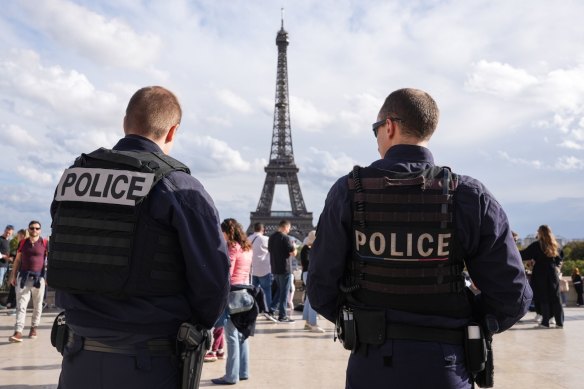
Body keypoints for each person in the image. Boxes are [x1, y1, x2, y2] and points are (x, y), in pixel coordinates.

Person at [307, 88, 532, 388]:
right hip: (446, 365)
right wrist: (467, 321)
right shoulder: (468, 196)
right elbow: (514, 296)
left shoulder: (347, 191)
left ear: (389, 126)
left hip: (371, 364)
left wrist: (360, 319)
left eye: (375, 130)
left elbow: (320, 288)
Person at [48, 86, 230, 388]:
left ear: (125, 122)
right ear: (172, 132)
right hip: (150, 362)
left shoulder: (73, 177)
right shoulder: (179, 187)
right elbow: (212, 283)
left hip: (77, 357)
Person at [212, 218, 253, 385]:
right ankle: (243, 372)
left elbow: (227, 271)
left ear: (228, 231)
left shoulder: (233, 247)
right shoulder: (247, 248)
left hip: (233, 293)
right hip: (245, 292)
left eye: (222, 232)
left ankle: (231, 376)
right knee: (242, 335)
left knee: (231, 336)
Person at [8, 221, 47, 342]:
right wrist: (13, 276)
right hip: (23, 277)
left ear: (40, 230)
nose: (34, 230)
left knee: (38, 305)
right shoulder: (23, 242)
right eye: (32, 228)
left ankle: (34, 327)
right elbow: (17, 261)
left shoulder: (45, 243)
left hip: (39, 279)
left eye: (37, 228)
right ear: (28, 229)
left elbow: (49, 260)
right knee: (21, 305)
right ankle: (18, 331)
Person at [520, 225, 564, 328]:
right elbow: (560, 259)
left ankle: (545, 322)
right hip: (553, 272)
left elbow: (524, 254)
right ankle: (559, 322)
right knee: (556, 297)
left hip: (540, 272)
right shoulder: (555, 245)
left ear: (540, 233)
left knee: (543, 297)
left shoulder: (537, 245)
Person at [268, 220, 297, 323]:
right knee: (284, 292)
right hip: (285, 269)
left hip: (275, 268)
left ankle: (271, 310)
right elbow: (293, 253)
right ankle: (282, 316)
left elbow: (270, 251)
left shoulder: (271, 237)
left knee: (280, 290)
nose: (289, 231)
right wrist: (294, 246)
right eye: (289, 228)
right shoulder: (286, 238)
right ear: (285, 227)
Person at [247, 222, 277, 322]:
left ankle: (252, 310)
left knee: (252, 292)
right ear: (263, 229)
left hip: (252, 269)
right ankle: (268, 311)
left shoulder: (248, 239)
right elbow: (272, 251)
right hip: (264, 269)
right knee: (267, 291)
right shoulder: (265, 239)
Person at [301, 230, 325, 333]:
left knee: (309, 299)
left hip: (308, 274)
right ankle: (312, 323)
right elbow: (308, 263)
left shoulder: (307, 249)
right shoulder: (308, 249)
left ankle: (307, 322)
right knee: (313, 298)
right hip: (310, 274)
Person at [0, 224, 14, 299]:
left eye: (10, 233)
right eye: (7, 232)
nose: (8, 234)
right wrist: (5, 257)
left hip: (6, 266)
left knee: (1, 284)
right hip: (1, 265)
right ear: (5, 230)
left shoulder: (8, 241)